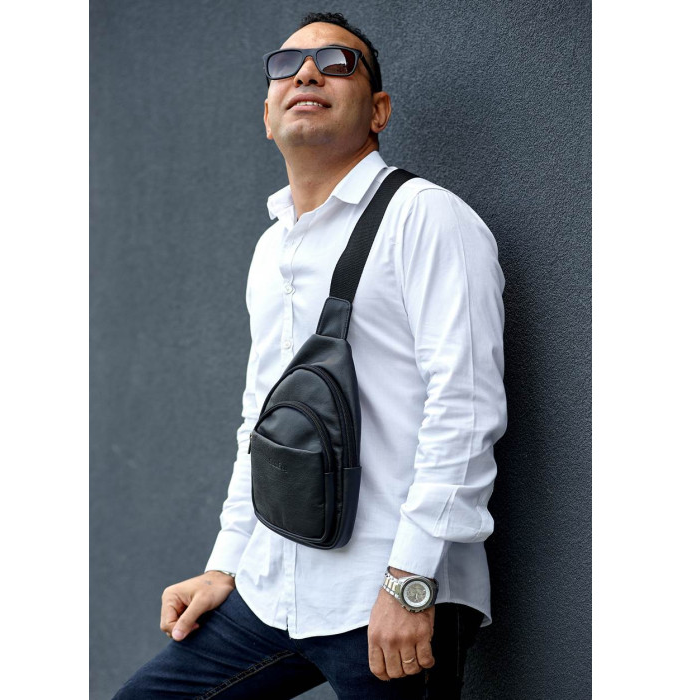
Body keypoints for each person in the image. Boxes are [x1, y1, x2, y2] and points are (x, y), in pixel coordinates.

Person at [113, 11, 507, 700]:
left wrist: (410, 581)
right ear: (267, 118)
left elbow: (465, 407)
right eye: (287, 66)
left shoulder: (425, 216)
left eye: (335, 63)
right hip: (272, 590)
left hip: (388, 595)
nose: (306, 74)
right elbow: (260, 420)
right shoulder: (272, 248)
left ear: (378, 110)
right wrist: (225, 565)